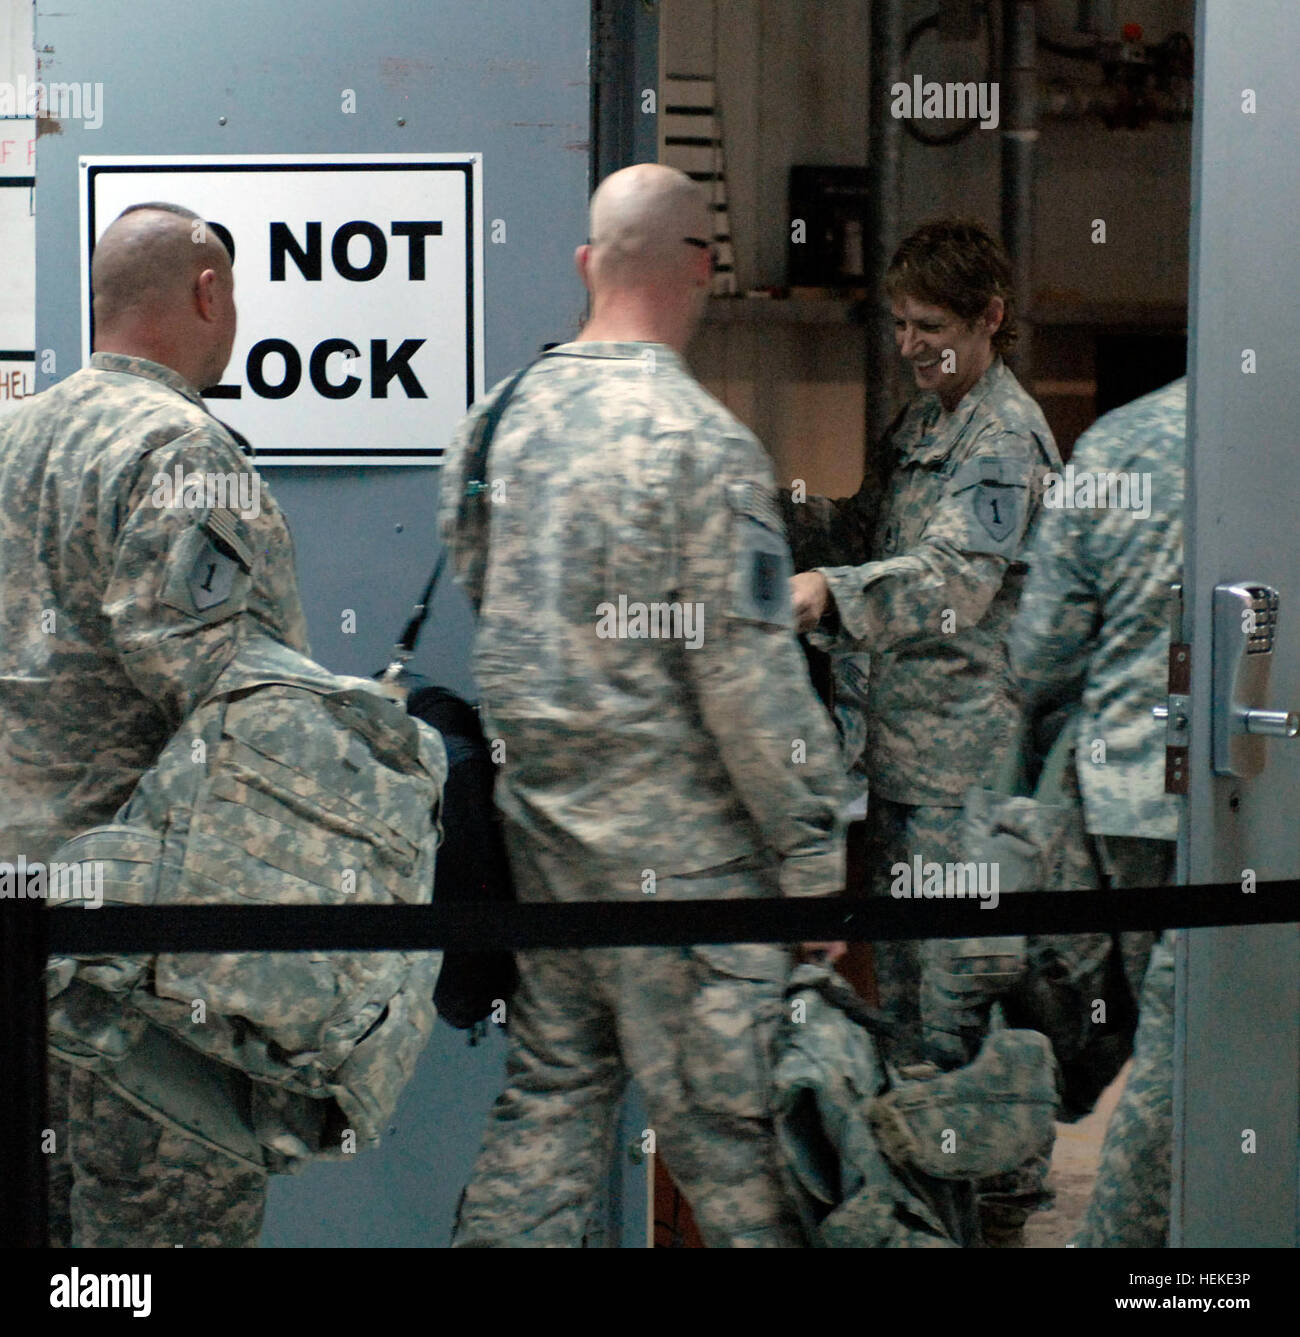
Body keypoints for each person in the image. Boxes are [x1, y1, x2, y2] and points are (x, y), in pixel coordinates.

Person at [440, 163, 848, 1248]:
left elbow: (485, 587)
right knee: (746, 1163)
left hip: (546, 856)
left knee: (549, 1116)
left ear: (588, 264)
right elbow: (750, 687)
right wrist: (814, 871)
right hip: (695, 889)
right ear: (700, 268)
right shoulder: (703, 446)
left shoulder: (501, 419)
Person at [0, 202, 309, 1247]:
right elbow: (249, 720)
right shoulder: (185, 455)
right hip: (138, 980)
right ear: (207, 293)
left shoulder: (9, 440)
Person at [780, 219, 1061, 1242]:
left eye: (932, 326)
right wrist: (767, 511)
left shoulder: (1002, 438)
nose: (910, 344)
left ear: (990, 319)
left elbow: (950, 579)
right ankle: (933, 1208)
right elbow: (864, 530)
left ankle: (994, 1212)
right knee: (910, 1005)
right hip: (908, 770)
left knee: (957, 1011)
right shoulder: (924, 422)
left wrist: (826, 593)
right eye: (898, 323)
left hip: (968, 779)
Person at [1007, 377, 1186, 1248]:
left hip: (1130, 794)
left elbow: (1040, 652)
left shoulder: (1116, 442)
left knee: (1173, 1034)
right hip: (1263, 792)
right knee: (1191, 1044)